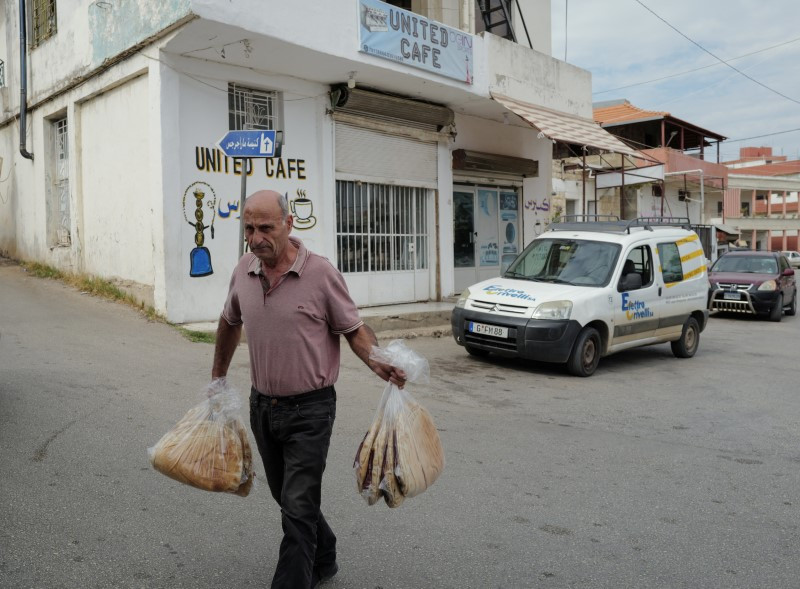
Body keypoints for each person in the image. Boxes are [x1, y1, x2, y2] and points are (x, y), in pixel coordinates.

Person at [211, 190, 406, 589]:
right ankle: (325, 553)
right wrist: (218, 379)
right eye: (249, 228)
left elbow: (352, 328)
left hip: (311, 410)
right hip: (262, 405)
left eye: (265, 227)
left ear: (288, 224)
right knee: (287, 497)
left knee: (298, 506)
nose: (255, 237)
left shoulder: (320, 273)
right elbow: (230, 321)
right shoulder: (243, 271)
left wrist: (376, 359)